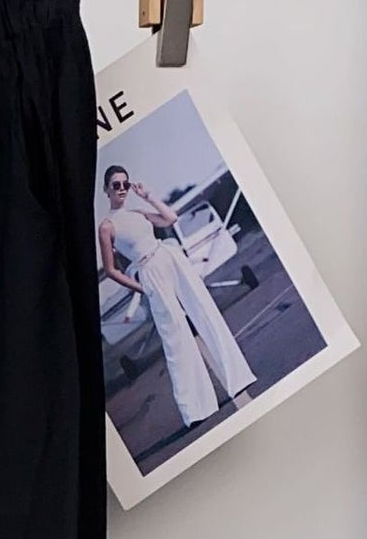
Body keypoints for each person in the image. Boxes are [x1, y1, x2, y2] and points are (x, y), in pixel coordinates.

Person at [98, 163, 255, 428]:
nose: (122, 189)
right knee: (175, 338)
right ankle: (195, 410)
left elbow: (170, 219)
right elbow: (111, 270)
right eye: (116, 185)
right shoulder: (106, 227)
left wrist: (148, 196)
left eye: (125, 184)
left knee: (206, 312)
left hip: (169, 257)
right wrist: (141, 288)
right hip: (149, 272)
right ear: (106, 189)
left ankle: (237, 378)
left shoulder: (138, 212)